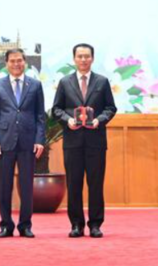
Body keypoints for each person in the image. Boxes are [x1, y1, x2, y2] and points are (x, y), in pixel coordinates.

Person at [51, 43, 117, 238]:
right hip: (72, 142)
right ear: (74, 59)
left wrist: (99, 120)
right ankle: (76, 225)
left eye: (87, 56)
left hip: (96, 141)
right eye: (79, 56)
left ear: (92, 58)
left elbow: (110, 108)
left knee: (96, 184)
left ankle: (95, 224)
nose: (83, 60)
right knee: (74, 184)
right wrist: (68, 120)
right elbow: (56, 109)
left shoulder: (102, 82)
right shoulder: (65, 82)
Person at [0, 49, 46, 238]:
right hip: (4, 143)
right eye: (12, 61)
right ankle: (6, 225)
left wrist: (39, 140)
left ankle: (25, 225)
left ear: (25, 62)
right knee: (4, 186)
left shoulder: (35, 85)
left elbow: (40, 116)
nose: (16, 64)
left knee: (26, 186)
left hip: (28, 142)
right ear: (6, 63)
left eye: (19, 60)